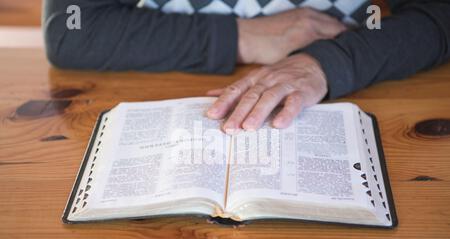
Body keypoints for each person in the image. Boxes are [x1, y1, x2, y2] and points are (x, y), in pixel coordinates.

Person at [44, 0, 450, 132]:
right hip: (162, 95)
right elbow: (72, 27)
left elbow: (441, 15)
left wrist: (329, 63)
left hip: (361, 90)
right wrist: (247, 37)